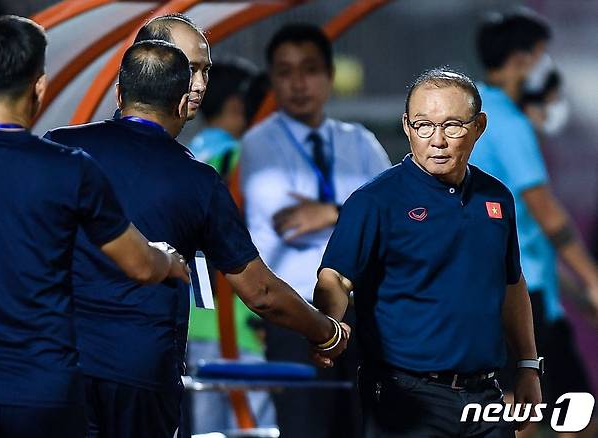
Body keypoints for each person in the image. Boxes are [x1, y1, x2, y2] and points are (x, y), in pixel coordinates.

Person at [45, 40, 348, 438]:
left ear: (119, 94)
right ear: (183, 100)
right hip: (143, 372)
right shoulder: (198, 180)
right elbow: (260, 292)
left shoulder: (60, 146)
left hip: (61, 362)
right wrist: (326, 331)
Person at [0, 16, 189, 438]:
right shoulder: (69, 169)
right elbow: (140, 265)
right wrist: (168, 261)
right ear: (40, 85)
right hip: (44, 391)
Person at [313, 67, 543, 437]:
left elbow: (511, 283)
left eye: (452, 126)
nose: (437, 140)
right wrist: (328, 330)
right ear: (407, 126)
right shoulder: (375, 201)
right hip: (405, 398)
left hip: (486, 399)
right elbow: (336, 278)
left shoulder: (497, 197)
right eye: (423, 125)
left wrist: (528, 366)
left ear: (479, 125)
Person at [240, 23, 391, 438]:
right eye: (285, 72)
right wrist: (354, 213)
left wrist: (328, 212)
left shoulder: (358, 140)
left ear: (328, 76)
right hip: (297, 314)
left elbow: (393, 216)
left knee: (366, 425)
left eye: (309, 69)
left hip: (364, 314)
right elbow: (286, 222)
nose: (298, 83)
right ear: (272, 80)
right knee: (305, 427)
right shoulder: (257, 144)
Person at [471, 12, 598, 437]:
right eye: (544, 55)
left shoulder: (482, 115)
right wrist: (593, 278)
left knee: (527, 410)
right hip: (521, 300)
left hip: (511, 292)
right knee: (557, 415)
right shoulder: (506, 122)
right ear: (524, 59)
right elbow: (545, 212)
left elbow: (527, 236)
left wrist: (578, 294)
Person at [186, 61, 277, 434]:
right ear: (240, 106)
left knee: (205, 429)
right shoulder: (243, 163)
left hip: (195, 320)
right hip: (242, 321)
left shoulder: (190, 157)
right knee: (253, 427)